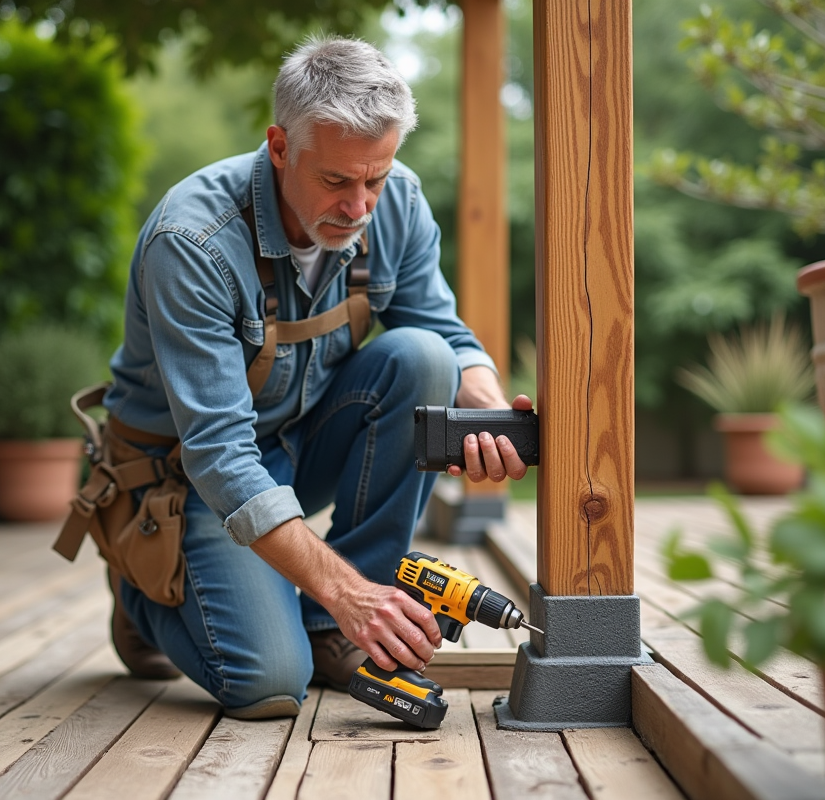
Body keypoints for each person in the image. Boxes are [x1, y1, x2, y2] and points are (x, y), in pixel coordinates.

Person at [103, 35, 532, 719]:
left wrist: (481, 406)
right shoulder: (192, 243)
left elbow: (442, 331)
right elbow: (220, 455)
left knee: (425, 359)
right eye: (336, 182)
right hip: (190, 476)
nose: (360, 207)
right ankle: (143, 589)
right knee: (268, 683)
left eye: (376, 178)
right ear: (279, 147)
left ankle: (334, 626)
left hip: (298, 442)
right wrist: (343, 586)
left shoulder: (396, 202)